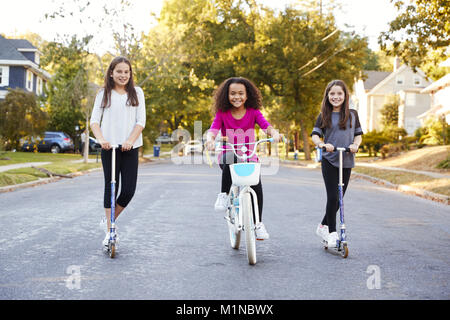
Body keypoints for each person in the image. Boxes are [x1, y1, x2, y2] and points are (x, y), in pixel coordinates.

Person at [206, 77, 281, 240]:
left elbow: (266, 126)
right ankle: (224, 195)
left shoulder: (254, 112)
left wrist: (274, 134)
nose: (236, 97)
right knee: (230, 158)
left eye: (241, 93)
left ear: (247, 96)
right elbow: (213, 129)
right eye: (232, 93)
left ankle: (258, 224)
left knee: (256, 184)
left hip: (248, 155)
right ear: (227, 95)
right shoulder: (222, 113)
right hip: (228, 153)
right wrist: (210, 140)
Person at [90, 56, 146, 248]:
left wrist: (130, 140)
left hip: (130, 147)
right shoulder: (103, 93)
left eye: (126, 72)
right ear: (111, 73)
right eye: (119, 71)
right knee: (111, 186)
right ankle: (110, 231)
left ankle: (108, 221)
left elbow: (141, 121)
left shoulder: (137, 93)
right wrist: (101, 139)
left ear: (130, 74)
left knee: (128, 190)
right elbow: (94, 121)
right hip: (109, 147)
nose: (123, 75)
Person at [311, 79, 363, 247]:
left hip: (346, 159)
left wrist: (355, 145)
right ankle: (332, 233)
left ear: (345, 95)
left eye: (339, 93)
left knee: (339, 199)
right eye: (332, 94)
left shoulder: (353, 114)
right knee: (333, 197)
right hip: (330, 159)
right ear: (327, 96)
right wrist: (322, 144)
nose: (335, 97)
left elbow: (358, 134)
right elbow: (315, 135)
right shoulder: (324, 115)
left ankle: (322, 226)